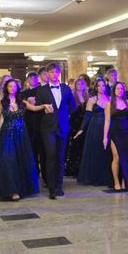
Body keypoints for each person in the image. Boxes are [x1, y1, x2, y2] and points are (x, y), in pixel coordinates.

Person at [0, 79, 53, 201]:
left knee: (21, 160)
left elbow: (34, 108)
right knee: (8, 160)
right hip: (7, 133)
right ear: (6, 88)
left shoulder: (21, 101)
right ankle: (12, 190)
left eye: (14, 86)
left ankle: (21, 188)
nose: (12, 88)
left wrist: (44, 105)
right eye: (10, 86)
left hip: (21, 134)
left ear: (17, 88)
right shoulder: (1, 102)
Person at [35, 63, 78, 199]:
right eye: (52, 72)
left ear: (60, 73)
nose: (54, 74)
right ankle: (51, 188)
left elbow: (74, 106)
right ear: (48, 74)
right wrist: (44, 108)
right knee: (51, 157)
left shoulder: (65, 88)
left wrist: (64, 114)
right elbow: (38, 108)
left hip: (63, 127)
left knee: (60, 158)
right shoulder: (42, 90)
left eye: (57, 72)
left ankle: (59, 186)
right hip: (48, 128)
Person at [76, 78, 112, 188]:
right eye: (99, 86)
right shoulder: (92, 100)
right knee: (95, 151)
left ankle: (106, 177)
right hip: (95, 128)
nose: (101, 88)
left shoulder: (110, 99)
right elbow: (87, 115)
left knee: (106, 152)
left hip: (107, 127)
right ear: (96, 87)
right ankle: (94, 177)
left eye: (103, 85)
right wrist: (81, 128)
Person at [103, 82, 128, 191]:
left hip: (126, 131)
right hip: (114, 132)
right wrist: (105, 137)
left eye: (121, 89)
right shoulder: (109, 104)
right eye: (117, 89)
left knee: (126, 157)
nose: (120, 90)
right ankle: (116, 182)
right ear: (114, 90)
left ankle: (125, 181)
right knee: (116, 157)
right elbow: (107, 121)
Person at [21, 72, 46, 185]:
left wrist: (36, 100)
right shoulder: (23, 93)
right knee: (31, 150)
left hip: (41, 122)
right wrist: (27, 101)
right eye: (31, 78)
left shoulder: (43, 90)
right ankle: (33, 174)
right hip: (28, 123)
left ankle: (46, 177)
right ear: (27, 80)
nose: (33, 80)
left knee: (43, 151)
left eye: (35, 78)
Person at [65, 77, 88, 177]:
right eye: (78, 84)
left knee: (83, 145)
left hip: (84, 123)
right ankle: (73, 169)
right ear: (75, 85)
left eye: (82, 84)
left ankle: (82, 168)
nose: (80, 86)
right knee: (74, 145)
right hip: (74, 123)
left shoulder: (87, 96)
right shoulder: (72, 95)